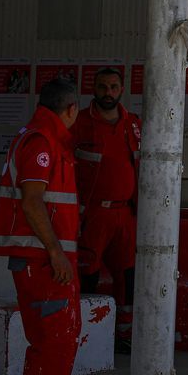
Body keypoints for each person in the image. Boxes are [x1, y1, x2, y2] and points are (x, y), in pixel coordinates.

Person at [0, 77, 82, 375]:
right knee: (50, 340)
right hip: (40, 261)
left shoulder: (47, 139)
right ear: (70, 109)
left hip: (48, 260)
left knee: (62, 338)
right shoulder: (41, 142)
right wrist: (56, 252)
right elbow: (32, 202)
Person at [71, 67, 140, 346]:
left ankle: (124, 336)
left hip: (126, 213)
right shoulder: (79, 123)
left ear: (121, 89)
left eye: (113, 87)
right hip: (92, 215)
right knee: (86, 274)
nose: (108, 92)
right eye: (102, 87)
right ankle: (84, 337)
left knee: (127, 276)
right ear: (93, 89)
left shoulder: (133, 123)